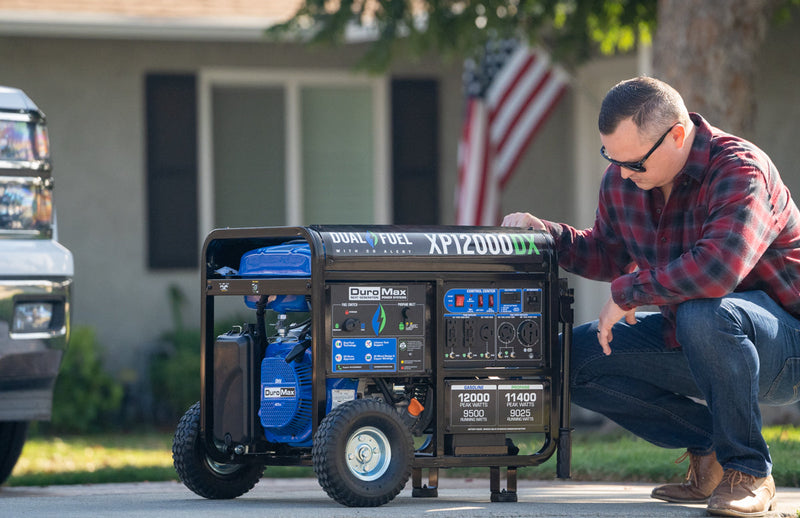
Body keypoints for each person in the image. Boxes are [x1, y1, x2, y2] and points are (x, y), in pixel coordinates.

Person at [502, 76, 800, 517]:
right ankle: (711, 450)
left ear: (677, 135)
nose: (623, 173)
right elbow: (606, 253)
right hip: (693, 336)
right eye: (612, 158)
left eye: (634, 163)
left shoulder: (741, 170)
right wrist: (547, 236)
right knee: (567, 360)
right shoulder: (625, 179)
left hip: (784, 349)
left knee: (703, 312)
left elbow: (718, 269)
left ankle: (749, 471)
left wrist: (629, 293)